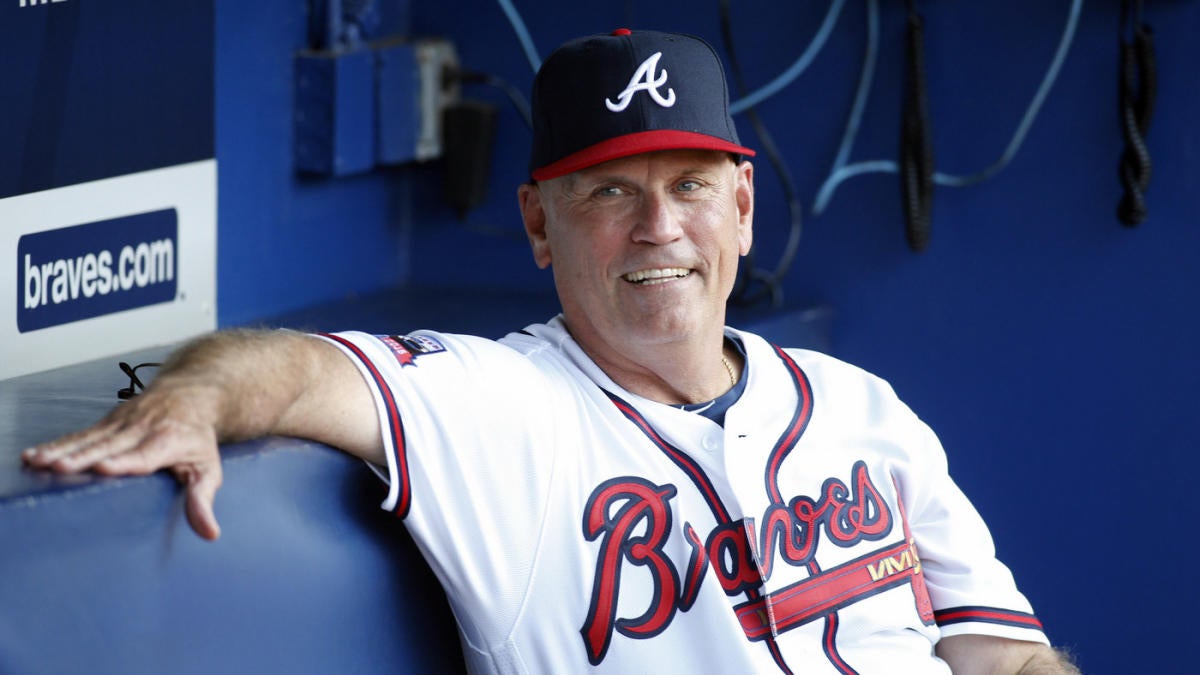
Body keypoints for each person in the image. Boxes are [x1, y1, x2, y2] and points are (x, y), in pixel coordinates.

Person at [23, 29, 1079, 674]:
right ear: (538, 223)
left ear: (743, 206)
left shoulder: (864, 412)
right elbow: (296, 369)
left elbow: (1006, 655)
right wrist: (196, 397)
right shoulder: (501, 409)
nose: (658, 227)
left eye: (691, 187)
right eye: (610, 192)